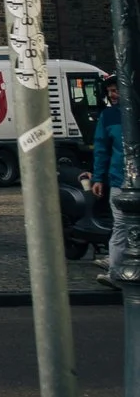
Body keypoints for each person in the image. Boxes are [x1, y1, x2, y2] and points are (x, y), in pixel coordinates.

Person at [88, 76, 130, 284]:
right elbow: (101, 149)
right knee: (121, 225)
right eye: (110, 91)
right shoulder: (108, 116)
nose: (113, 95)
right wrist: (98, 178)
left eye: (116, 91)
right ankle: (115, 272)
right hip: (118, 178)